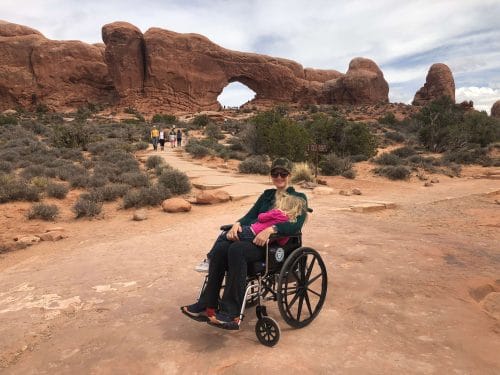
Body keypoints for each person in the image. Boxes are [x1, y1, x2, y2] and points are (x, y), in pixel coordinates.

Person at [180, 157, 308, 329]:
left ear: (289, 175)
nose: (278, 177)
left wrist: (273, 229)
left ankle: (230, 314)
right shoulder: (267, 195)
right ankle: (207, 304)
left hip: (273, 246)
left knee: (237, 249)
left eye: (282, 173)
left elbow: (296, 224)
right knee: (223, 248)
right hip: (253, 239)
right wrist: (238, 223)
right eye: (274, 174)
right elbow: (250, 216)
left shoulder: (299, 197)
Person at [195, 193, 306, 272]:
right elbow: (282, 242)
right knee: (233, 243)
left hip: (251, 231)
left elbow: (261, 217)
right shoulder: (287, 220)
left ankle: (210, 259)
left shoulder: (277, 213)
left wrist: (269, 215)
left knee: (224, 236)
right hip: (261, 242)